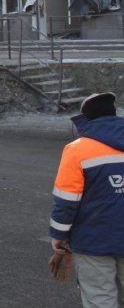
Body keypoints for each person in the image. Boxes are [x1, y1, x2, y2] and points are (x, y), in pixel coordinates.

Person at [49, 92, 124, 307]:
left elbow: (66, 200)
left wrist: (59, 236)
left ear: (86, 118)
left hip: (93, 240)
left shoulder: (77, 150)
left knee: (100, 298)